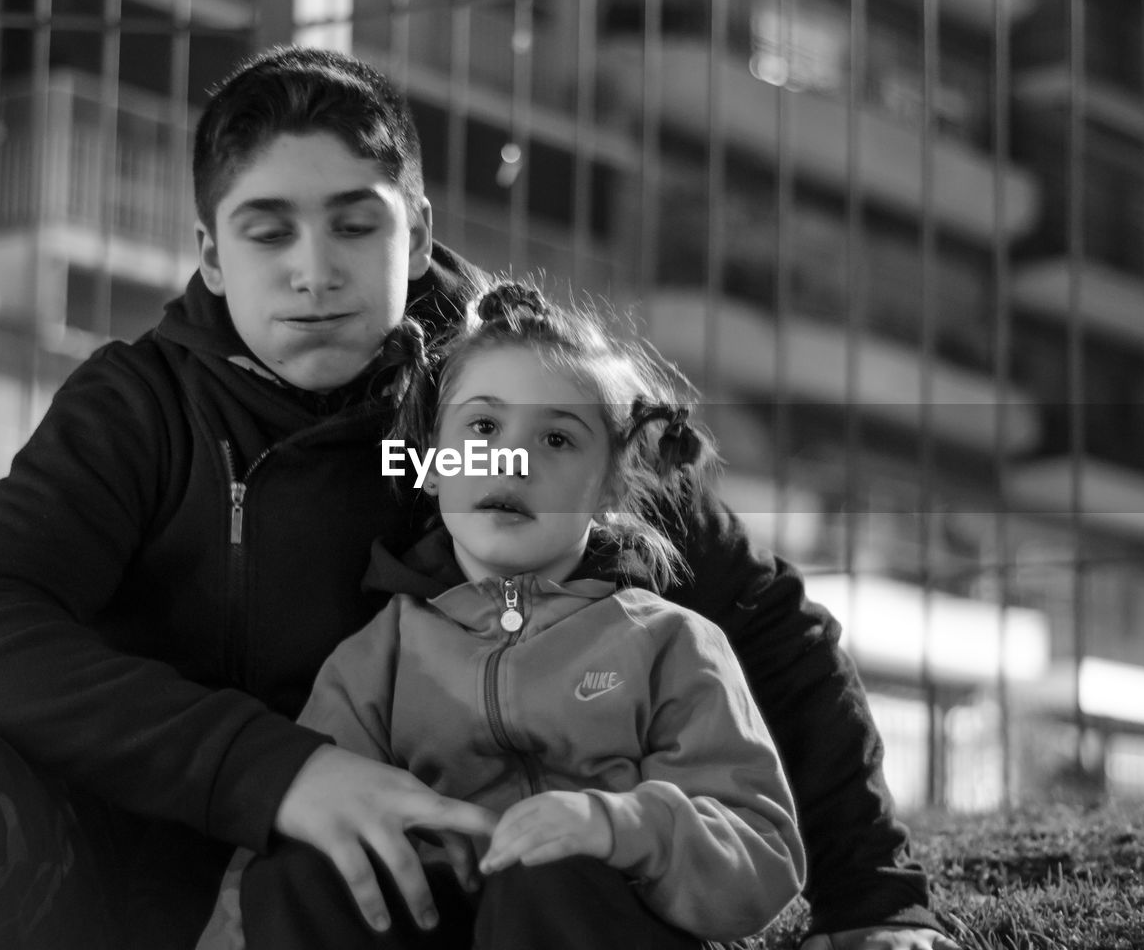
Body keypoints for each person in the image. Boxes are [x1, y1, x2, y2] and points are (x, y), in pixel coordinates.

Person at [0, 44, 959, 950]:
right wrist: (272, 771)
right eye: (267, 231)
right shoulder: (141, 407)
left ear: (415, 223)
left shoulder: (516, 394)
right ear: (211, 257)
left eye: (354, 226)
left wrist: (875, 900)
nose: (313, 271)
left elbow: (760, 615)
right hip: (147, 859)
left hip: (458, 880)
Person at [198, 280, 807, 949]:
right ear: (429, 463)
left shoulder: (671, 644)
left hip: (591, 918)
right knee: (304, 871)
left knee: (548, 874)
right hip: (434, 922)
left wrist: (620, 827)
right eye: (483, 427)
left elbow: (763, 851)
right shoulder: (379, 656)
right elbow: (302, 821)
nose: (511, 462)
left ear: (608, 486)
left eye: (556, 438)